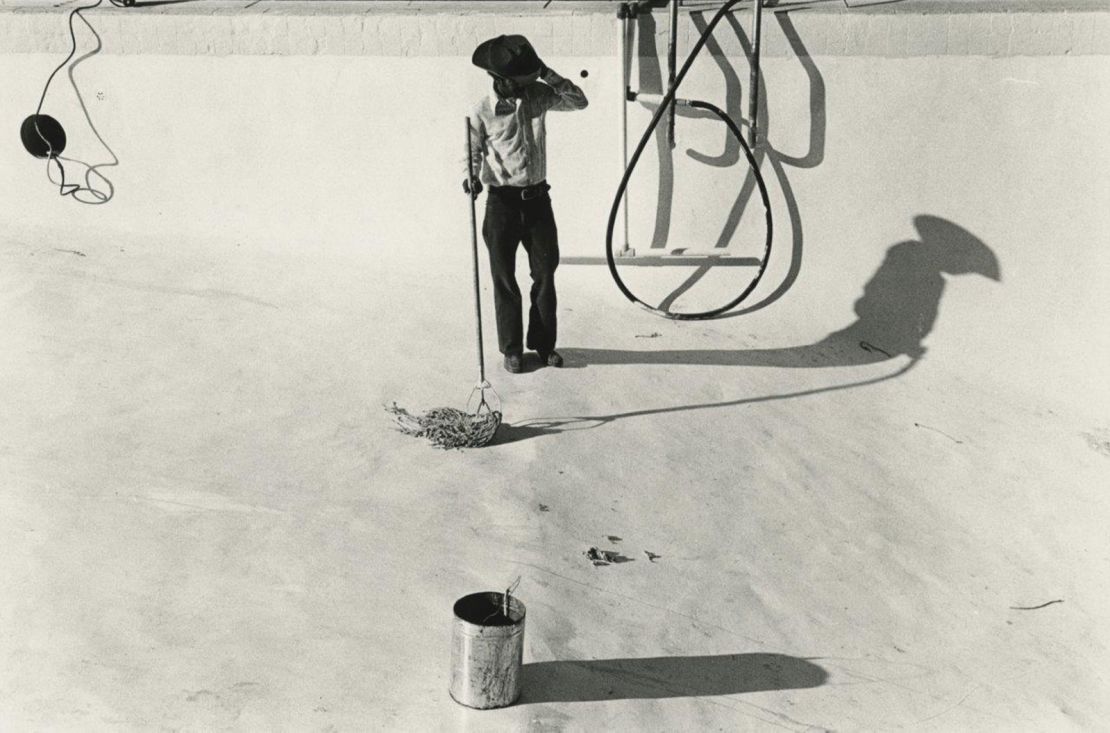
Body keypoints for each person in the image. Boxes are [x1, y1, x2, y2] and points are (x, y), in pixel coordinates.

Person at [464, 35, 588, 374]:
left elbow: (579, 102)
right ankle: (512, 349)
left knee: (545, 274)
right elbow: (472, 152)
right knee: (504, 278)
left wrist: (546, 74)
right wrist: (471, 176)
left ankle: (544, 345)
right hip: (501, 205)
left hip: (538, 202)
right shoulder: (481, 111)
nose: (523, 88)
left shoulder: (538, 95)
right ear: (500, 80)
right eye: (519, 82)